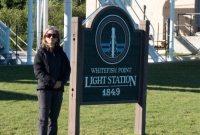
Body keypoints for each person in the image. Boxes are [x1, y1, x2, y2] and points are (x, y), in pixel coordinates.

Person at [33, 26, 71, 135]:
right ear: (44, 37)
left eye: (54, 35)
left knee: (53, 119)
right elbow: (38, 71)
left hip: (58, 89)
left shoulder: (61, 53)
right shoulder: (40, 53)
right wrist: (52, 82)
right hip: (44, 89)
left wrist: (61, 82)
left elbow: (67, 69)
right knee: (43, 118)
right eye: (48, 35)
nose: (51, 37)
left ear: (57, 39)